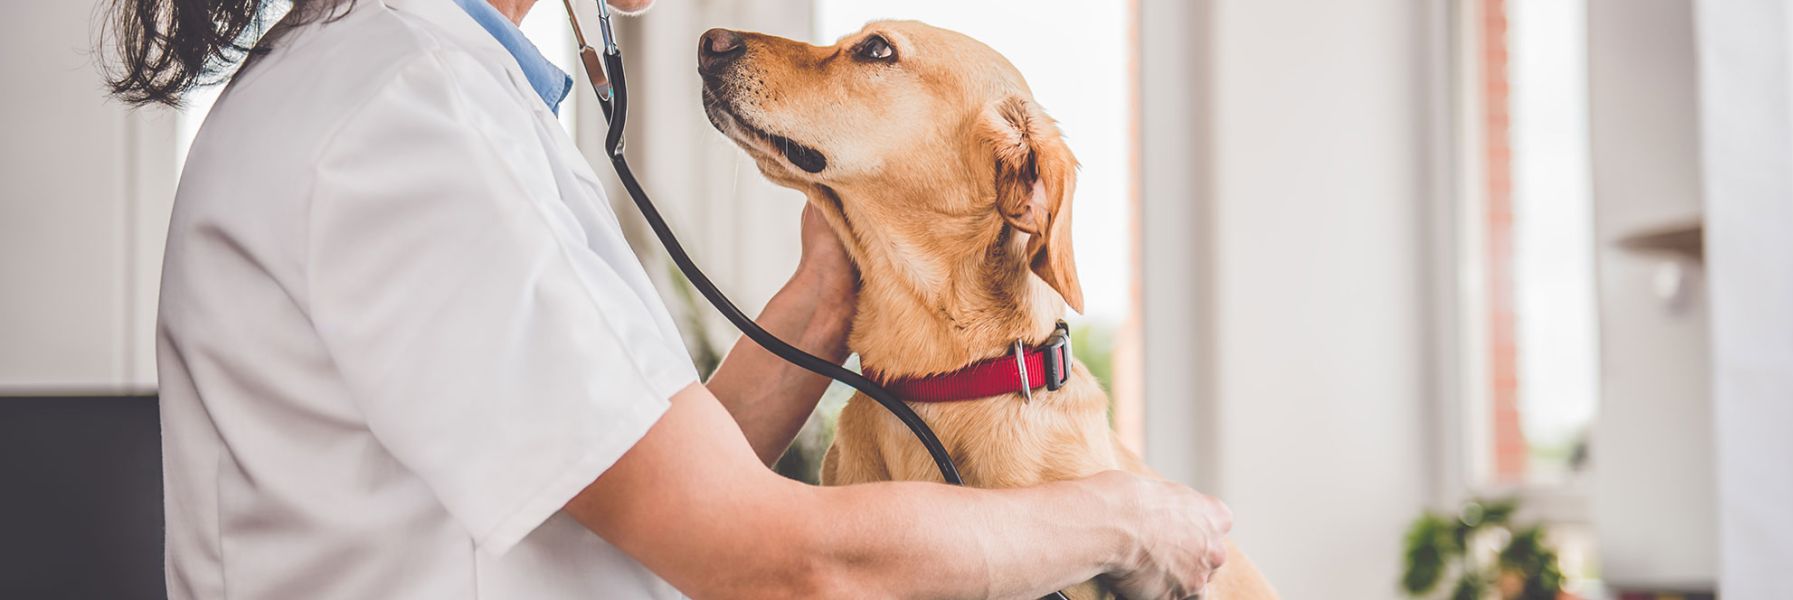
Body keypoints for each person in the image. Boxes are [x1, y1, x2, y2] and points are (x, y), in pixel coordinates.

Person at [105, 0, 1232, 597]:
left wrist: (823, 301)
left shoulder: (426, 99)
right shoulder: (407, 124)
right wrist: (1130, 515)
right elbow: (775, 562)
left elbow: (626, 480)